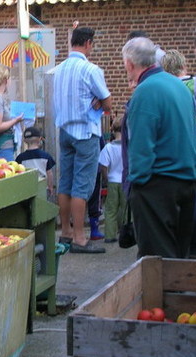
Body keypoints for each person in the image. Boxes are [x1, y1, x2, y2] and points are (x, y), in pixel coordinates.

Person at [122, 37, 196, 259]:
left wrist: (137, 185)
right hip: (187, 181)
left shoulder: (145, 92)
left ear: (129, 63)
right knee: (179, 257)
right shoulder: (180, 86)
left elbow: (141, 148)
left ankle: (163, 295)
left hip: (158, 185)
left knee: (157, 263)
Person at [53, 27, 112, 254]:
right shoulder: (90, 69)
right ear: (87, 43)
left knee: (65, 182)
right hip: (86, 132)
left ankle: (66, 232)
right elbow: (107, 102)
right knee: (82, 186)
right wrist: (98, 102)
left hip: (65, 131)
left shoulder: (58, 70)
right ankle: (79, 237)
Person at [98, 120, 125, 243]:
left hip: (113, 180)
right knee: (125, 208)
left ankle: (109, 235)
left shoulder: (108, 147)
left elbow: (103, 165)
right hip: (126, 181)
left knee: (110, 209)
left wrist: (106, 177)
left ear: (113, 131)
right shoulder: (128, 146)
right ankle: (125, 233)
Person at [15, 127, 55, 197]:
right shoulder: (46, 156)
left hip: (27, 189)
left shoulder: (20, 158)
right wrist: (50, 187)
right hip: (42, 188)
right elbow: (50, 174)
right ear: (40, 139)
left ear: (24, 140)